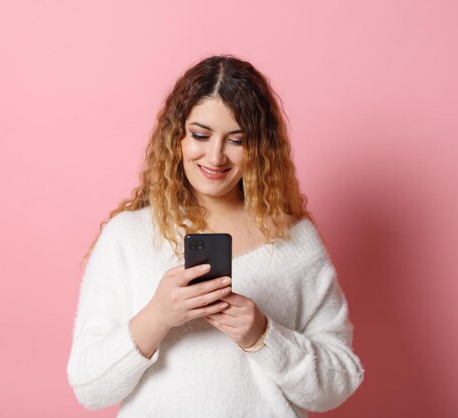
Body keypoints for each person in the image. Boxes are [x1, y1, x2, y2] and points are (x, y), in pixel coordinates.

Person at [66, 54, 365, 417]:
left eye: (236, 140)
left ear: (258, 147)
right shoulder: (128, 237)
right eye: (201, 135)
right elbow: (89, 387)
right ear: (177, 136)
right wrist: (157, 317)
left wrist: (263, 335)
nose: (215, 156)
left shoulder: (296, 241)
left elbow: (338, 384)